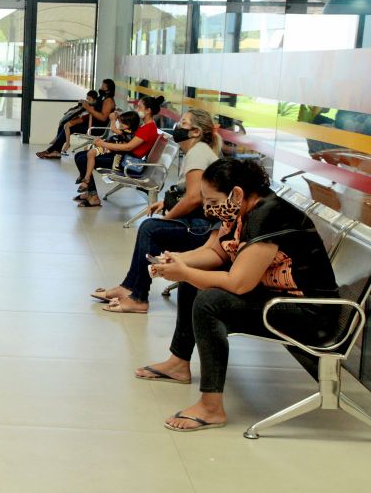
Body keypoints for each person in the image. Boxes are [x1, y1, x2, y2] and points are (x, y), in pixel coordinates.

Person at [137, 158, 338, 432]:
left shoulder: (269, 214)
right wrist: (178, 261)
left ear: (237, 193)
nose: (207, 207)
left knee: (210, 301)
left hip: (310, 314)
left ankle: (211, 407)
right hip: (278, 300)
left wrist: (185, 272)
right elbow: (216, 252)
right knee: (192, 280)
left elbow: (239, 283)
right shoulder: (237, 213)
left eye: (211, 199)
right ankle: (178, 363)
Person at [94, 109, 222, 312]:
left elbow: (194, 198)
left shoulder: (197, 153)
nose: (178, 126)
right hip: (203, 224)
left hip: (204, 228)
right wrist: (165, 204)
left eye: (183, 123)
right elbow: (192, 191)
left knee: (151, 228)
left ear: (196, 132)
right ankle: (128, 287)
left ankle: (139, 298)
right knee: (150, 227)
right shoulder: (199, 151)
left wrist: (168, 218)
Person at [74, 100, 162, 207]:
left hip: (126, 162)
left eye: (139, 107)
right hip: (122, 156)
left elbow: (128, 147)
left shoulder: (148, 128)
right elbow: (125, 136)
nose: (137, 109)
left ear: (148, 111)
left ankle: (93, 196)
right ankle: (89, 192)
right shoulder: (145, 125)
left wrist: (103, 144)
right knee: (79, 156)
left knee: (83, 159)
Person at [37, 79, 116, 158]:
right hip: (90, 123)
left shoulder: (108, 101)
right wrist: (85, 103)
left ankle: (52, 150)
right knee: (64, 124)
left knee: (71, 127)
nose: (100, 88)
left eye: (102, 86)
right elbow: (94, 105)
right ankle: (56, 151)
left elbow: (103, 118)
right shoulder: (103, 98)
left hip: (95, 128)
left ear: (108, 89)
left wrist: (88, 108)